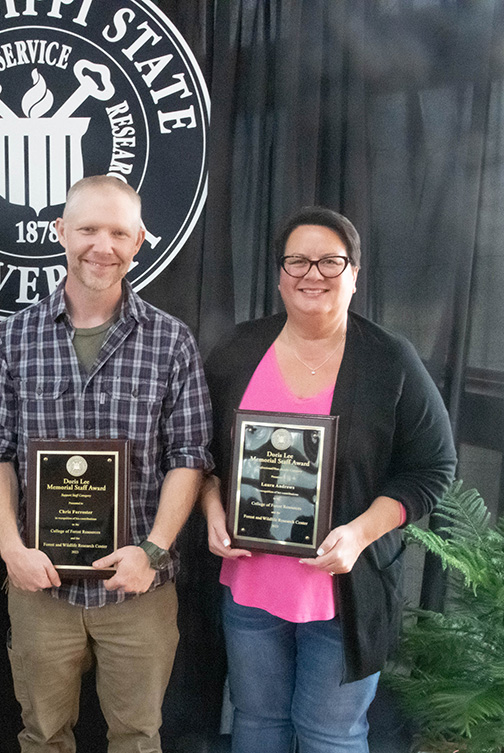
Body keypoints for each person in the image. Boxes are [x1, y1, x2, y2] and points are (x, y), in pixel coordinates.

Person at [200, 207, 456, 753]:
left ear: (355, 274)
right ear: (278, 274)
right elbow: (198, 452)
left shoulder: (391, 361)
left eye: (330, 261)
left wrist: (360, 532)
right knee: (257, 723)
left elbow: (433, 468)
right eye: (297, 261)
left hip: (345, 590)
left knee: (330, 734)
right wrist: (211, 506)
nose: (311, 274)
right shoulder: (238, 351)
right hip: (251, 583)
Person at [0, 175, 213, 753]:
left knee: (137, 737)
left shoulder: (171, 342)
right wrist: (10, 550)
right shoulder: (14, 338)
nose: (101, 246)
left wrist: (153, 551)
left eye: (118, 233)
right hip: (40, 587)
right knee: (42, 736)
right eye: (87, 229)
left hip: (138, 588)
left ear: (138, 242)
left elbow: (190, 457)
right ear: (59, 232)